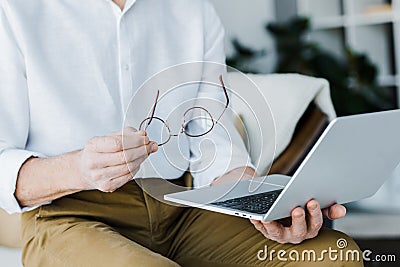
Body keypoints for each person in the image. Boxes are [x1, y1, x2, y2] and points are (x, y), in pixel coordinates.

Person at [0, 0, 363, 266]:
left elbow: (214, 139)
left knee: (334, 257)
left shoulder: (193, 10)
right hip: (70, 216)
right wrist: (80, 168)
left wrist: (256, 200)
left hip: (183, 204)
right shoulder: (14, 11)